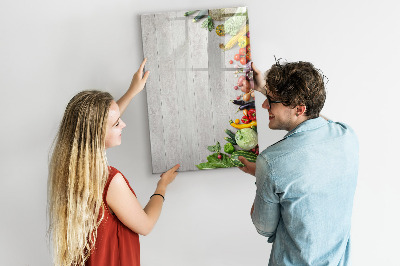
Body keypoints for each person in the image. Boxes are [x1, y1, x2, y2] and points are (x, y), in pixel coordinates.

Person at [47, 58, 180, 266]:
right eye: (117, 124)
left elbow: (102, 122)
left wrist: (132, 91)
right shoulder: (110, 181)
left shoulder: (70, 170)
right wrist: (162, 186)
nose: (123, 125)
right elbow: (145, 225)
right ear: (98, 133)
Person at [238, 60, 359, 265]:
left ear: (299, 108)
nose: (265, 104)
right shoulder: (347, 136)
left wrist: (262, 176)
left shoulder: (271, 162)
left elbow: (264, 227)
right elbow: (316, 118)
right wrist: (264, 89)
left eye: (271, 100)